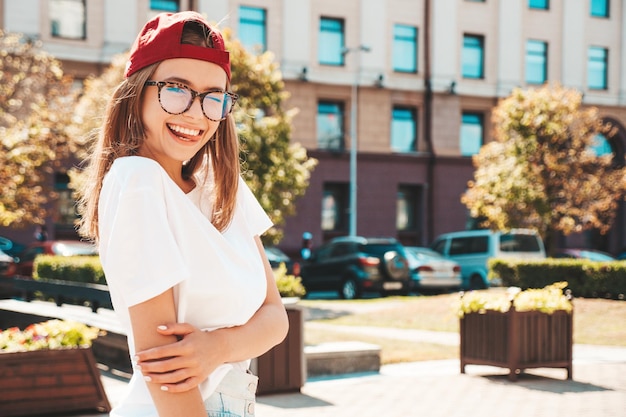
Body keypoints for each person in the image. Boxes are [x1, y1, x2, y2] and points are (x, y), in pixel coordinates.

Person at [77, 11, 289, 417]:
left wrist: (217, 348)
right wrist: (238, 340)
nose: (196, 113)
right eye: (176, 90)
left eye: (214, 97)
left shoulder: (221, 184)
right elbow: (165, 370)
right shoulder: (137, 179)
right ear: (136, 93)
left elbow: (276, 319)